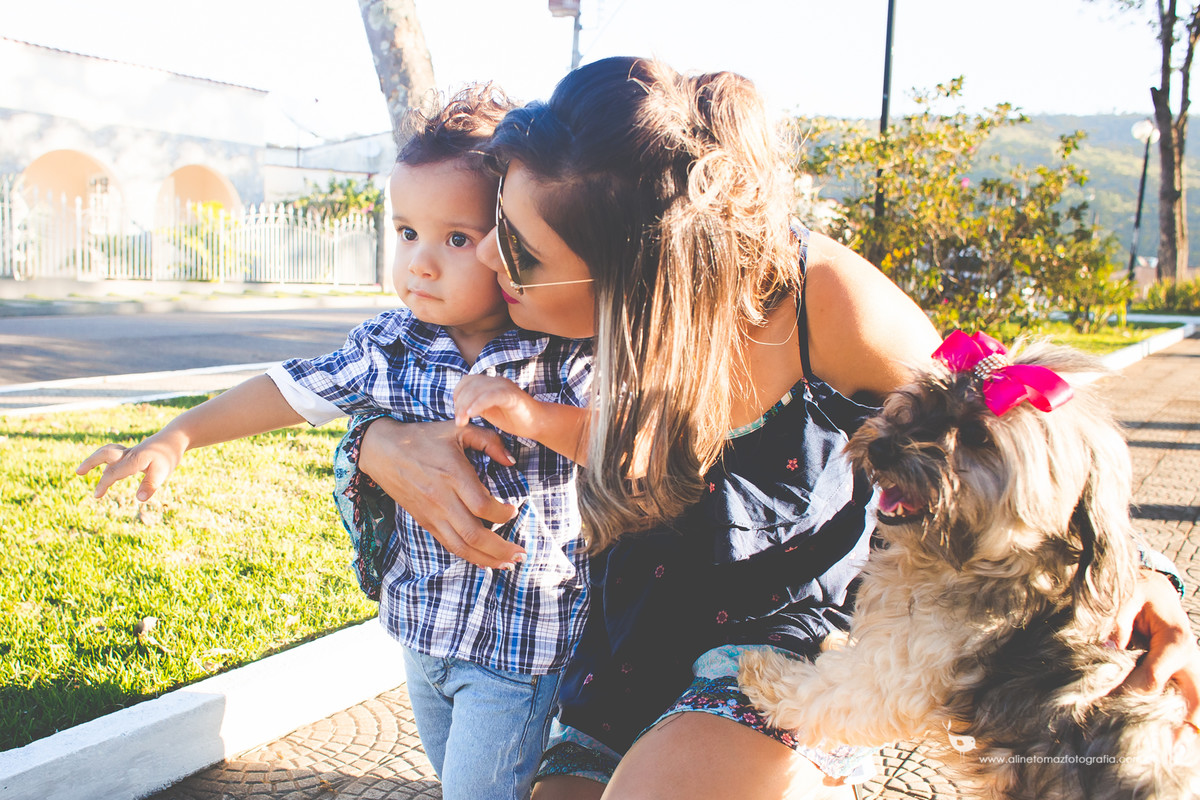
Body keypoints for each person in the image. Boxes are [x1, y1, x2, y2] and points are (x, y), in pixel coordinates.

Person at [346, 59, 1199, 799]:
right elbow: (370, 371)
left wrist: (1138, 574)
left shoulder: (816, 302)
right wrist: (373, 444)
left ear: (634, 276)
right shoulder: (534, 290)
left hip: (787, 654)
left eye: (518, 248)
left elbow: (1012, 428)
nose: (488, 258)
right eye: (493, 221)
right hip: (620, 656)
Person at [75, 84, 594, 800]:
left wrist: (533, 416)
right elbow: (291, 389)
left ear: (512, 239)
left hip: (517, 646)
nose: (421, 262)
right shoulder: (391, 343)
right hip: (421, 629)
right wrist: (178, 436)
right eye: (407, 232)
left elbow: (626, 442)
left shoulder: (559, 354)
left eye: (457, 238)